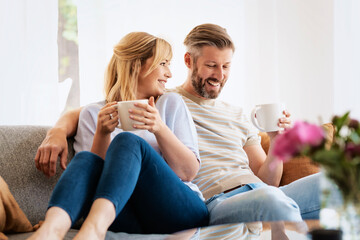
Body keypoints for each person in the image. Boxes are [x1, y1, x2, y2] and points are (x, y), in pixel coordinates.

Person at [35, 24, 319, 225]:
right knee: (272, 201)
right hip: (218, 199)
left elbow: (267, 180)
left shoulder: (237, 114)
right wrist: (58, 131)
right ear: (189, 61)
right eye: (211, 65)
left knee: (337, 183)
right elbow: (100, 108)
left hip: (262, 190)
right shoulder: (162, 98)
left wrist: (278, 141)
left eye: (226, 66)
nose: (219, 75)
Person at [30, 32, 209, 240]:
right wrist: (102, 133)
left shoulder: (171, 104)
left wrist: (159, 128)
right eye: (163, 63)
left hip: (179, 211)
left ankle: (94, 231)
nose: (169, 73)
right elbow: (95, 180)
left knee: (128, 141)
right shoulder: (93, 114)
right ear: (135, 65)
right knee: (86, 160)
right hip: (126, 216)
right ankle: (50, 230)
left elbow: (188, 172)